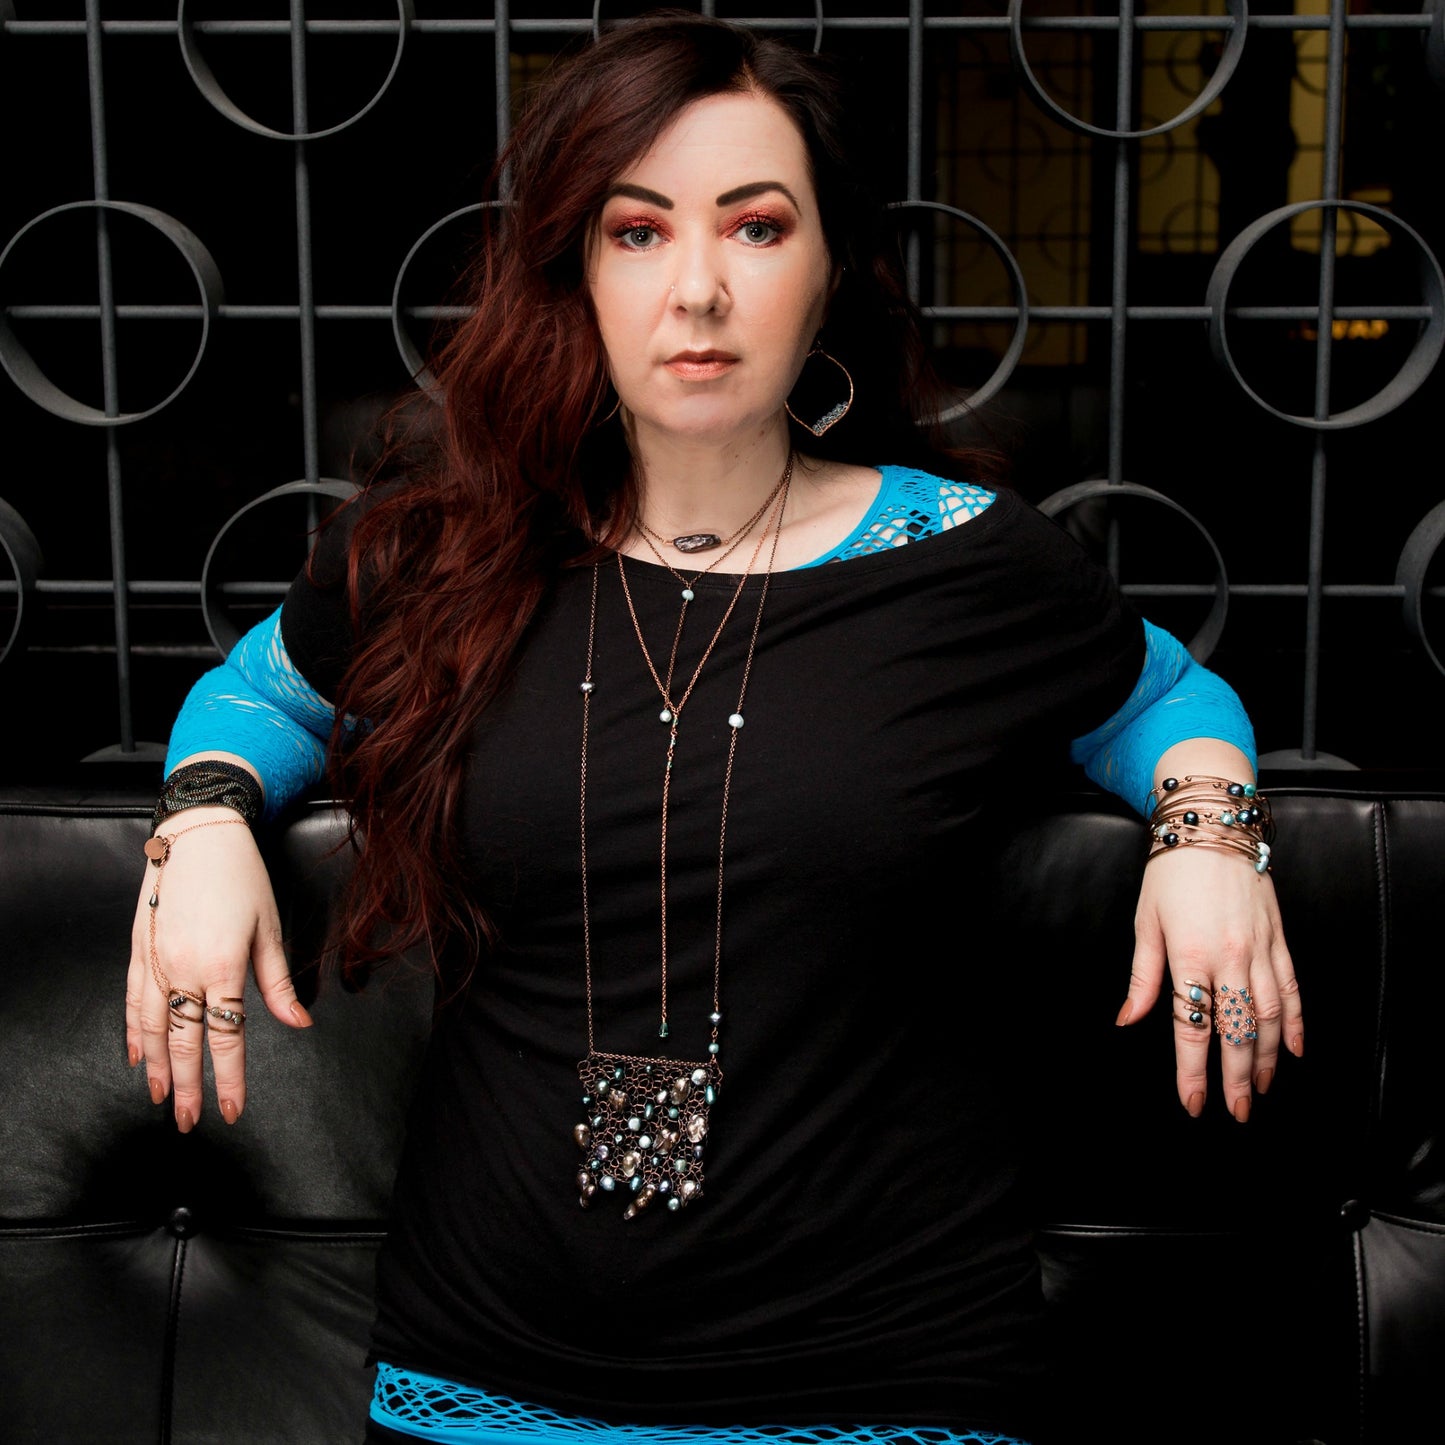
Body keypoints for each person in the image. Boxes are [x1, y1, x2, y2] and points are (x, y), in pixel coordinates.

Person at [124, 14, 1301, 1444]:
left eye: (756, 228)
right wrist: (203, 816)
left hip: (884, 1375)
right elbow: (259, 695)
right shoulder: (446, 552)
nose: (697, 288)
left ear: (827, 270)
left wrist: (1208, 831)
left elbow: (1164, 696)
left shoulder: (966, 560)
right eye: (638, 233)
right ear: (575, 273)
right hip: (487, 1366)